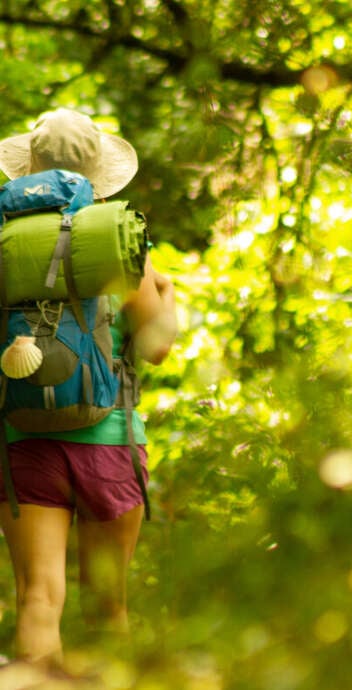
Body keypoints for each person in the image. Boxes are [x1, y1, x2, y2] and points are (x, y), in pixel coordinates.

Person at [0, 109, 177, 672]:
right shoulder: (118, 239)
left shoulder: (5, 241)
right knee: (109, 608)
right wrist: (165, 295)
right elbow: (156, 346)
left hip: (23, 439)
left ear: (29, 166)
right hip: (111, 440)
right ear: (97, 174)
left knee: (39, 598)